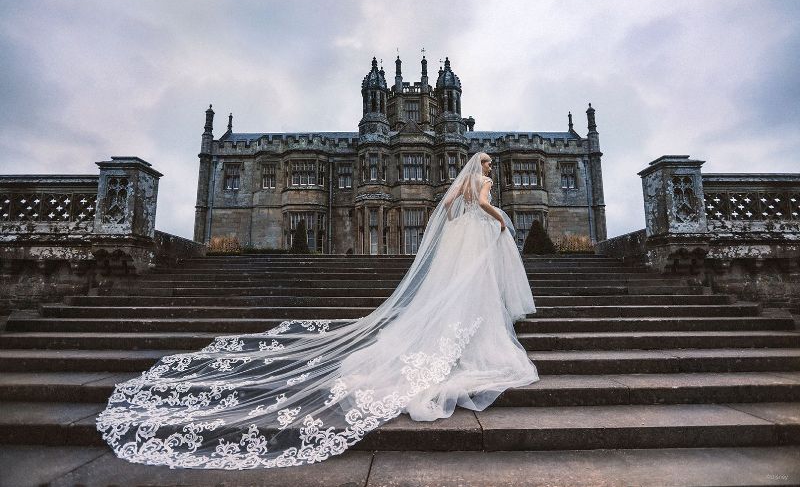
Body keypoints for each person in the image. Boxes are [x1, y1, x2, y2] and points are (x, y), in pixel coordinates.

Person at [96, 151, 539, 469]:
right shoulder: (479, 185)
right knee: (467, 291)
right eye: (487, 165)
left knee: (456, 291)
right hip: (475, 236)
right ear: (481, 166)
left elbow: (444, 206)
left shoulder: (456, 186)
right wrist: (499, 218)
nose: (489, 170)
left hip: (461, 240)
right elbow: (475, 204)